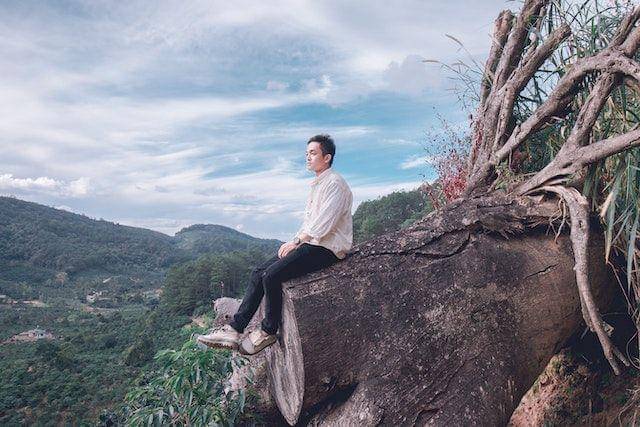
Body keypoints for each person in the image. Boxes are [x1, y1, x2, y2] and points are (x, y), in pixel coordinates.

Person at [197, 134, 353, 355]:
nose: (307, 157)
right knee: (258, 272)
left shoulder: (335, 183)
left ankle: (268, 331)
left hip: (327, 248)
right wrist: (295, 241)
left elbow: (323, 223)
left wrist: (297, 241)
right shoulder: (318, 184)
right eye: (306, 153)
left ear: (327, 157)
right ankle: (234, 329)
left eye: (313, 153)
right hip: (312, 242)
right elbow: (309, 222)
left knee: (271, 275)